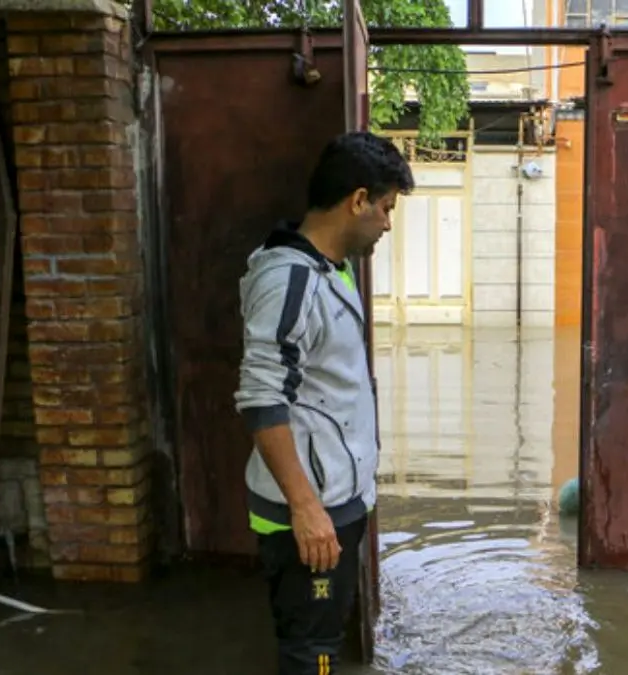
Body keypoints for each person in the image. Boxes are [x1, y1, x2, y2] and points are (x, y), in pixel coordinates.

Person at [234, 131, 414, 675]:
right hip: (311, 510)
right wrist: (307, 509)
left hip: (336, 495)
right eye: (385, 208)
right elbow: (261, 398)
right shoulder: (288, 279)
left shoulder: (331, 268)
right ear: (357, 200)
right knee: (312, 654)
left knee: (320, 641)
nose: (387, 223)